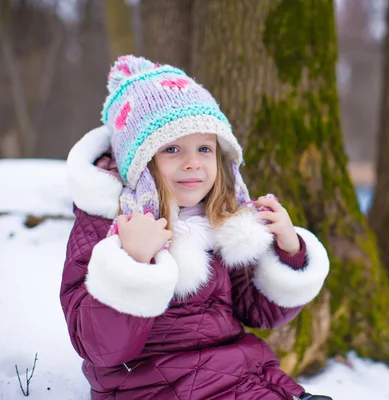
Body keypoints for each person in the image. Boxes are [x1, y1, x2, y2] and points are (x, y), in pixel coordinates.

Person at [60, 55, 332, 400]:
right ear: (141, 163)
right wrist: (132, 262)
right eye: (172, 148)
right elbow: (99, 347)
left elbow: (258, 311)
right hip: (155, 387)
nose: (193, 162)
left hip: (246, 378)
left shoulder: (220, 218)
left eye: (205, 148)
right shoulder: (109, 228)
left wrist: (289, 252)